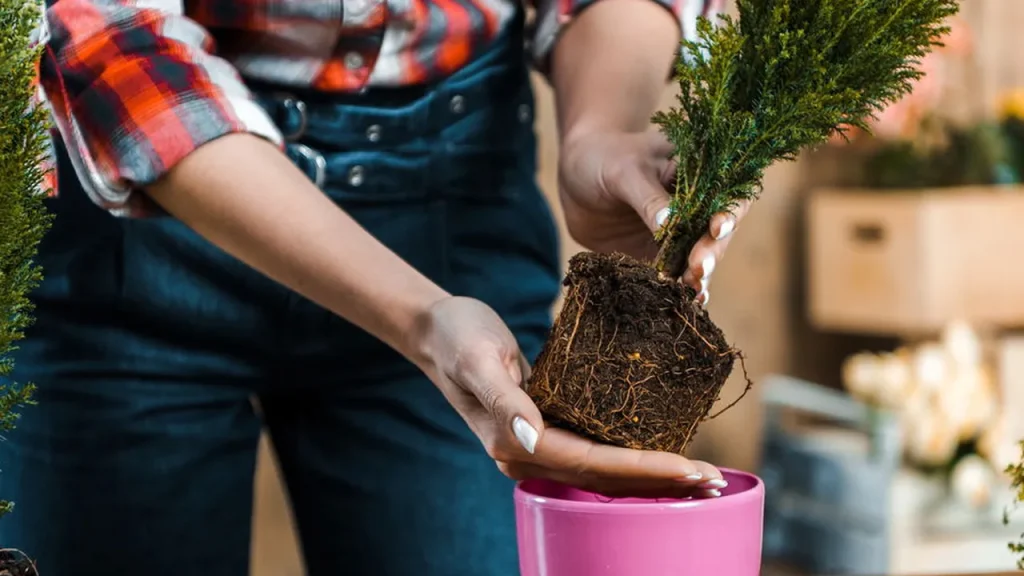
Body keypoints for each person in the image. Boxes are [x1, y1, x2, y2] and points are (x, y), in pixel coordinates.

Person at [0, 0, 750, 574]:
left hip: (455, 212)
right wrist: (423, 320)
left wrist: (601, 130)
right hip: (144, 225)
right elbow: (112, 45)